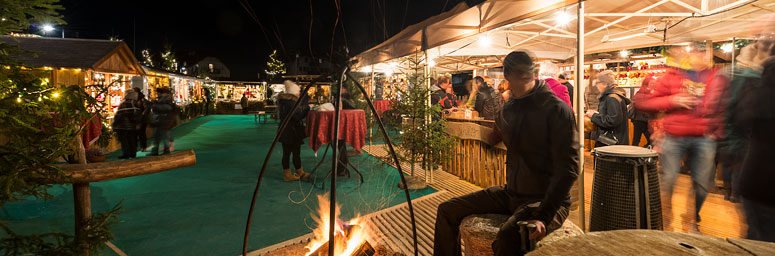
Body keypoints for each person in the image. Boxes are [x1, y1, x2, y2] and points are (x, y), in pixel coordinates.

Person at [434, 50, 579, 256]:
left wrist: (543, 216)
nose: (522, 77)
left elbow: (569, 168)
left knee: (509, 238)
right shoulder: (511, 107)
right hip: (511, 193)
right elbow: (496, 135)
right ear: (509, 76)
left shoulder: (556, 109)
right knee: (447, 210)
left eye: (525, 73)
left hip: (545, 200)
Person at [634, 43, 727, 233]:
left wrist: (715, 130)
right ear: (689, 54)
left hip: (704, 136)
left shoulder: (715, 76)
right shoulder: (672, 76)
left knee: (702, 184)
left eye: (704, 51)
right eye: (696, 51)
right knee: (668, 181)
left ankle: (691, 219)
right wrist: (672, 100)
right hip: (674, 135)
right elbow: (643, 102)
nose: (700, 55)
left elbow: (724, 105)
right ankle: (665, 221)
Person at [734, 20, 775, 241]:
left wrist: (752, 69)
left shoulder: (766, 76)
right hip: (762, 183)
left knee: (759, 241)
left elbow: (745, 115)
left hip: (763, 184)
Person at [277, 81, 311, 181]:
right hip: (291, 131)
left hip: (286, 130)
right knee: (293, 153)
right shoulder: (291, 103)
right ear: (294, 92)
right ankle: (292, 174)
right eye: (298, 91)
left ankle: (294, 172)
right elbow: (297, 116)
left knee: (288, 153)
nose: (299, 93)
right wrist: (307, 107)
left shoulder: (285, 101)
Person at [586, 75, 631, 147]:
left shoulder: (612, 98)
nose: (596, 85)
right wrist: (596, 114)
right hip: (612, 142)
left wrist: (594, 116)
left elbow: (612, 121)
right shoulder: (611, 97)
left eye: (597, 83)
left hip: (612, 144)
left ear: (605, 84)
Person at [112, 90, 141, 159]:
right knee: (132, 140)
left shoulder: (123, 104)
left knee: (124, 141)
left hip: (123, 126)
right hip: (132, 126)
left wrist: (114, 125)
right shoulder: (136, 104)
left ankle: (126, 154)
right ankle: (133, 153)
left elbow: (118, 115)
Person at [630, 76, 656, 147]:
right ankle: (634, 155)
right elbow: (641, 106)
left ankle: (637, 154)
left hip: (642, 120)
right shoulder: (643, 93)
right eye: (652, 83)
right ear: (647, 84)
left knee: (638, 140)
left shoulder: (645, 92)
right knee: (638, 140)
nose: (654, 85)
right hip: (640, 120)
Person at [150, 87, 176, 156]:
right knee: (157, 136)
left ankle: (166, 150)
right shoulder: (162, 99)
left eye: (159, 92)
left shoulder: (167, 99)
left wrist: (155, 106)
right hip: (160, 120)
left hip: (164, 120)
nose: (158, 94)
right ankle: (156, 150)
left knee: (164, 136)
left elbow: (167, 108)